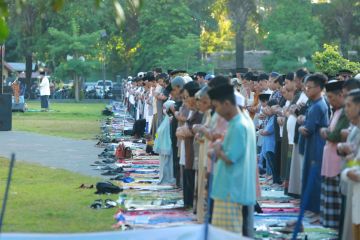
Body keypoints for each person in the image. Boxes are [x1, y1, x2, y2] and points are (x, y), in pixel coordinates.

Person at [208, 82, 256, 233]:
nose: (216, 111)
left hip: (230, 189)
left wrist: (217, 149)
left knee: (226, 233)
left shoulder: (238, 125)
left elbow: (230, 158)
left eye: (216, 106)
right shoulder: (243, 121)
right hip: (233, 187)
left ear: (227, 103)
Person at [319, 80, 349, 228]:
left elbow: (334, 136)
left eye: (331, 97)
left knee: (336, 197)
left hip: (338, 161)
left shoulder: (345, 112)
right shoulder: (337, 110)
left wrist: (326, 133)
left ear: (340, 95)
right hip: (330, 158)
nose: (330, 101)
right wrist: (327, 132)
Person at [299, 73, 329, 214]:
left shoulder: (318, 105)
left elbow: (308, 130)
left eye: (309, 87)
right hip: (314, 144)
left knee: (314, 177)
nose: (306, 90)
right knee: (310, 175)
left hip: (317, 145)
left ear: (318, 88)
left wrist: (300, 126)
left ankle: (316, 210)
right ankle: (311, 208)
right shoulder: (316, 103)